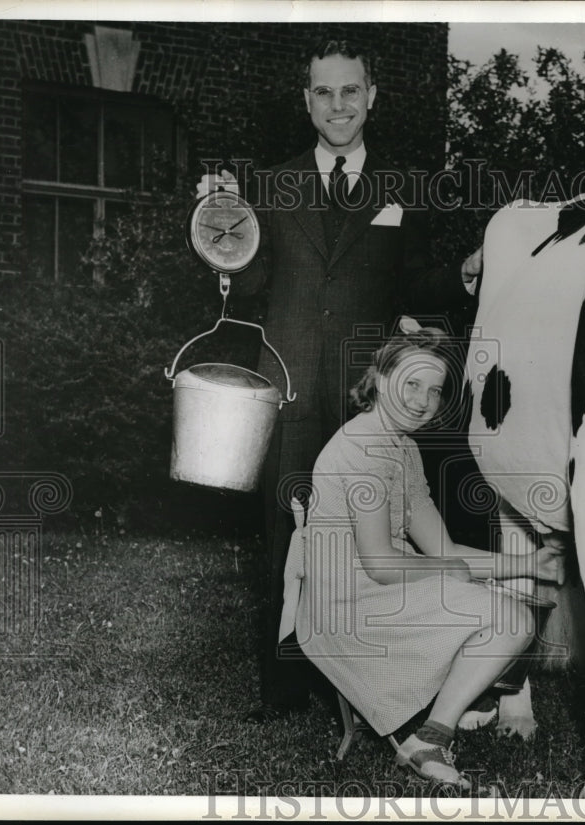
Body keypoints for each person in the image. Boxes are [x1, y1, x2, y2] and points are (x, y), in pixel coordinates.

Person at [196, 38, 484, 719]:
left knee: (369, 537)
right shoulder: (269, 186)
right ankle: (285, 687)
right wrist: (218, 235)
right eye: (323, 93)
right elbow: (252, 276)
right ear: (306, 101)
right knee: (288, 527)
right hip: (288, 383)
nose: (338, 105)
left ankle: (362, 684)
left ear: (371, 96)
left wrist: (463, 276)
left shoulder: (401, 190)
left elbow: (409, 283)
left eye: (349, 91)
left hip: (367, 396)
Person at [278, 318, 564, 789]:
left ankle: (440, 720)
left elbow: (444, 547)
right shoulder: (362, 448)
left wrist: (529, 564)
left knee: (505, 607)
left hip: (375, 593)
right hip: (345, 609)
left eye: (434, 391)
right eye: (412, 383)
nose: (422, 401)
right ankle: (433, 735)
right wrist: (453, 574)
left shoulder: (403, 449)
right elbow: (383, 564)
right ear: (381, 378)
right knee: (511, 619)